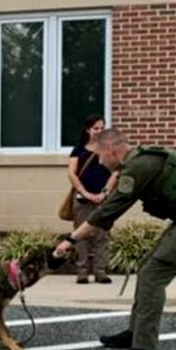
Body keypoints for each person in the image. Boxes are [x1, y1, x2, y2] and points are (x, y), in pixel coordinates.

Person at [54, 128, 176, 350]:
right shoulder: (138, 162)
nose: (100, 162)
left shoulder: (137, 167)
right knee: (147, 266)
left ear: (110, 150)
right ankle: (135, 334)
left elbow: (108, 211)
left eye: (99, 156)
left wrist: (70, 239)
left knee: (152, 276)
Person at [67, 115, 115, 284]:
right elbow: (72, 174)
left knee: (102, 235)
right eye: (96, 128)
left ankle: (101, 272)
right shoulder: (78, 150)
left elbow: (116, 172)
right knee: (81, 235)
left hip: (103, 199)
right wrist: (86, 193)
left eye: (102, 128)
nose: (99, 131)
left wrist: (105, 193)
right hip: (83, 199)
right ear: (88, 130)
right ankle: (82, 272)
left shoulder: (109, 149)